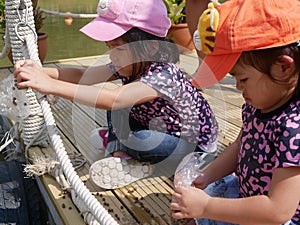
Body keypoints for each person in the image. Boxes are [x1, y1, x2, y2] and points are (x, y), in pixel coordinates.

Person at [13, 0, 218, 189]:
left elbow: (114, 99)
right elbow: (83, 74)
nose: (112, 55)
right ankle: (121, 154)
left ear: (151, 47)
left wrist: (49, 85)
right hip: (158, 125)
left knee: (136, 129)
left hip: (191, 147)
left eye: (118, 48)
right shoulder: (131, 63)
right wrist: (40, 71)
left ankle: (125, 153)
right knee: (124, 114)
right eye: (109, 47)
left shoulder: (164, 75)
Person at [171, 0, 300, 224]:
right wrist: (207, 175)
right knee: (205, 198)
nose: (239, 87)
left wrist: (207, 206)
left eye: (243, 78)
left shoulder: (294, 128)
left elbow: (277, 210)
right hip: (246, 191)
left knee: (204, 207)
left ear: (284, 67)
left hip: (272, 216)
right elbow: (241, 145)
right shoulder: (257, 104)